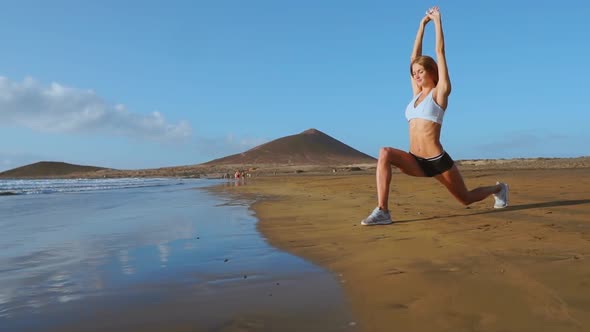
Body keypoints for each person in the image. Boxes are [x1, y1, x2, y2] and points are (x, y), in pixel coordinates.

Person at [361, 6, 509, 226]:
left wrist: (438, 22)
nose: (416, 75)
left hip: (437, 161)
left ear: (431, 71)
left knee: (465, 199)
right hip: (415, 160)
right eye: (414, 73)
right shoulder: (416, 96)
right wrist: (421, 26)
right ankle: (383, 211)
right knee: (385, 153)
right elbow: (413, 57)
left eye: (421, 71)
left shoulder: (440, 93)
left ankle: (499, 188)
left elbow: (440, 52)